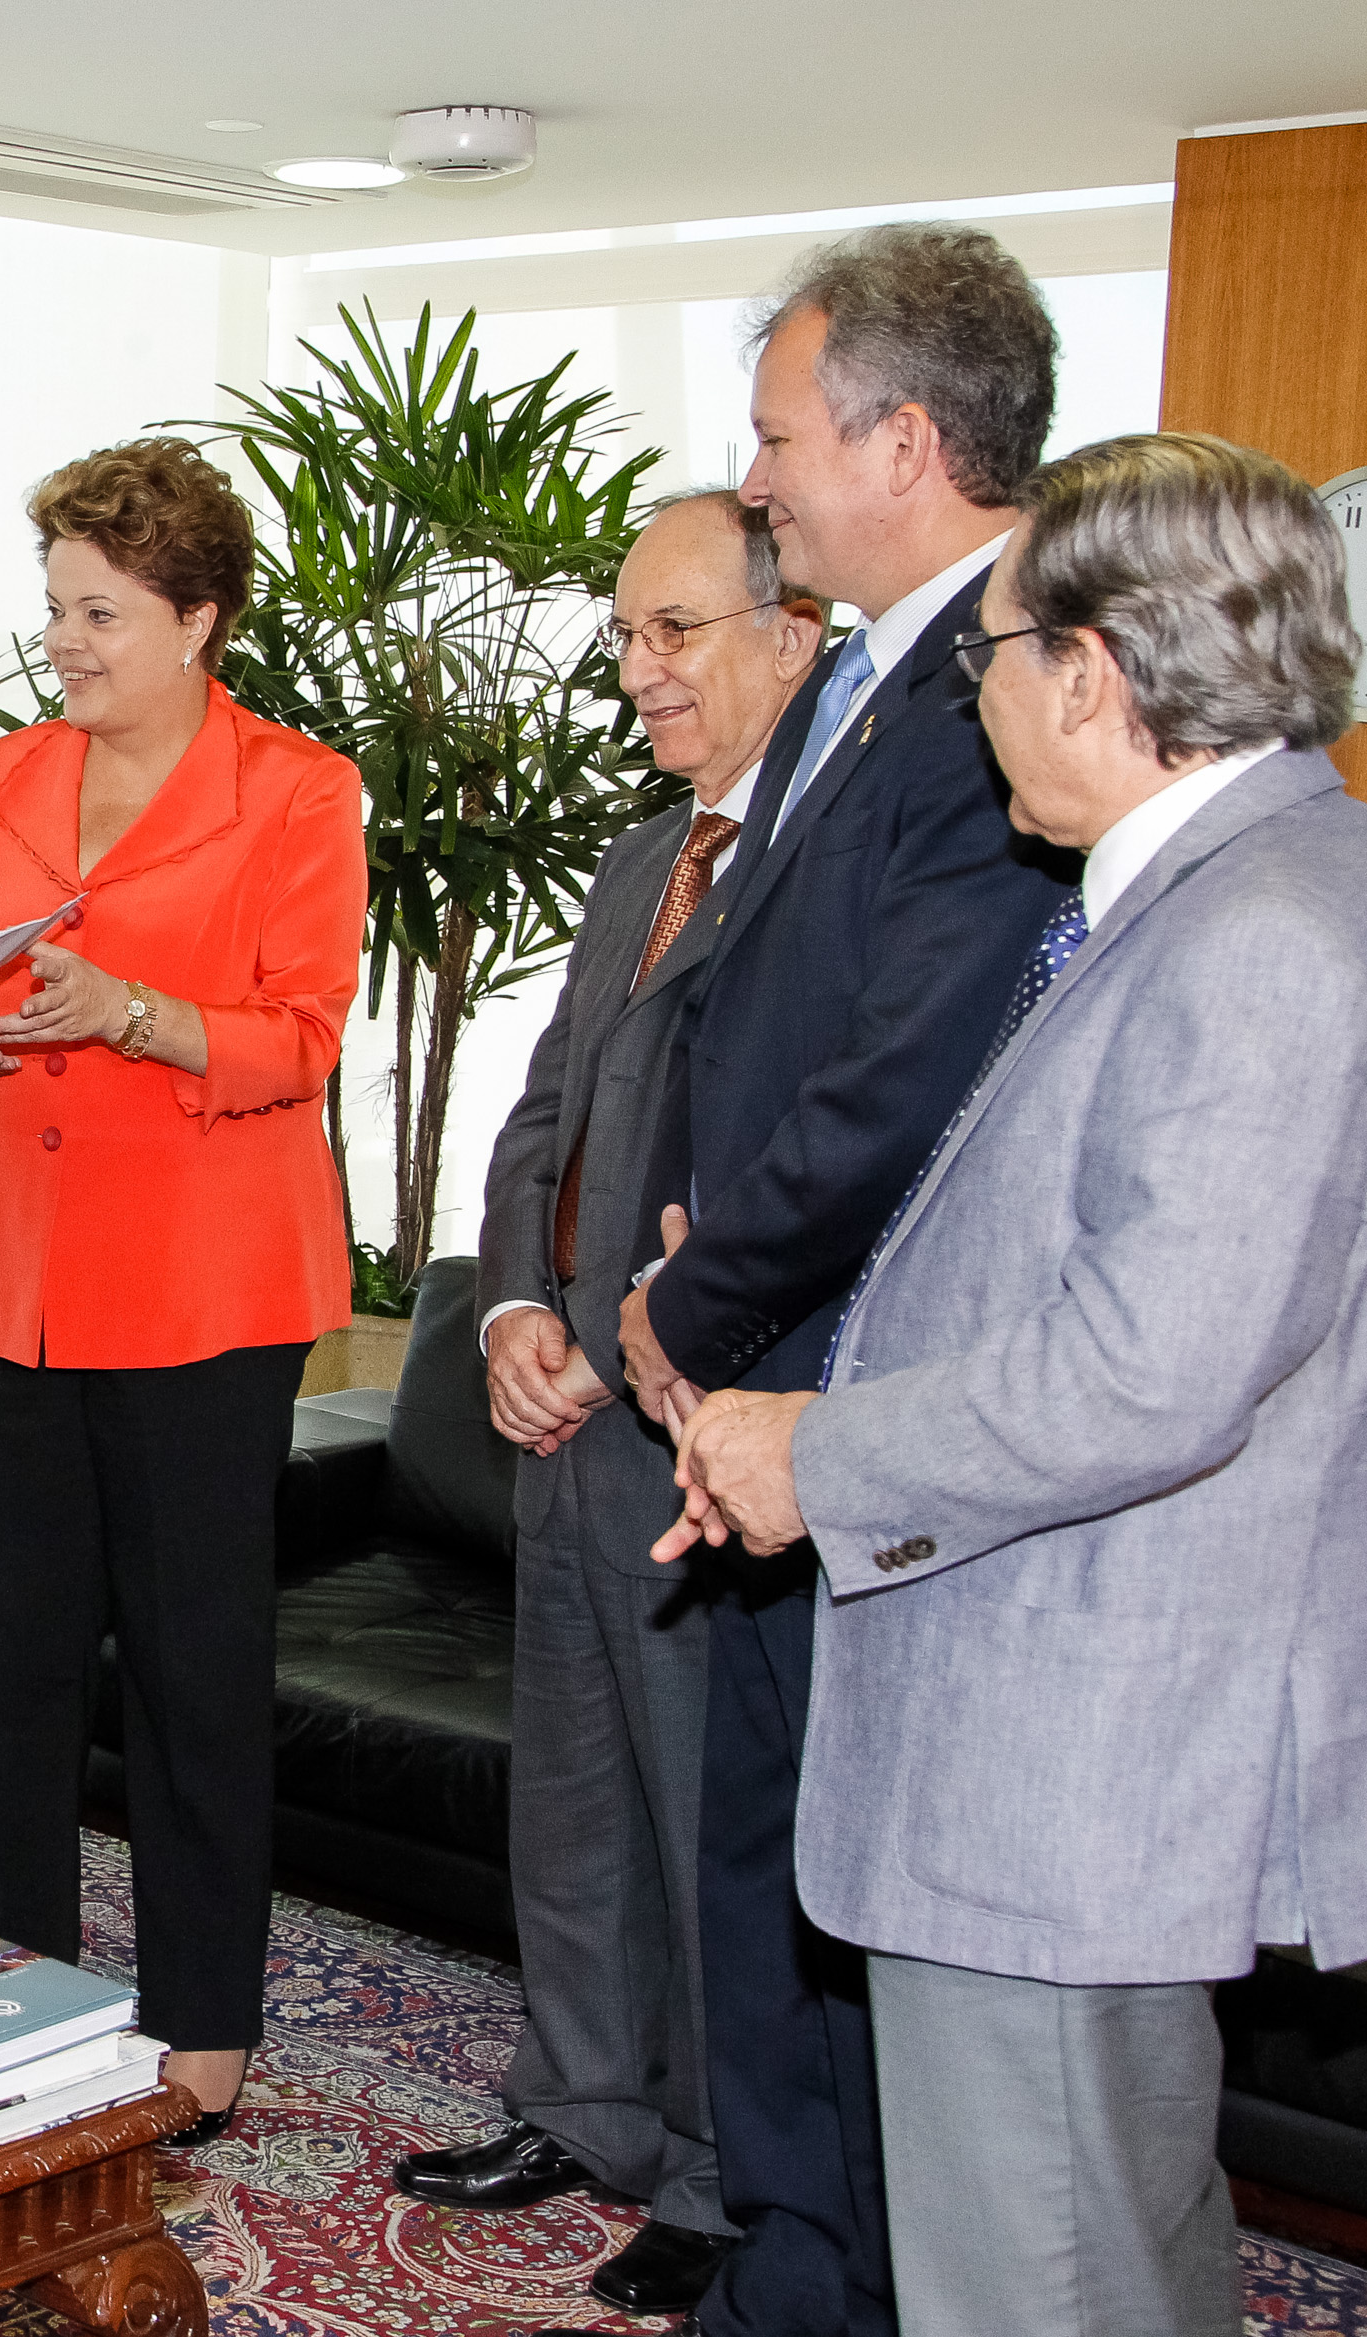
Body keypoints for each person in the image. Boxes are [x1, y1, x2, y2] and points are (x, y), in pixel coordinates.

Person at [655, 432, 1366, 2337]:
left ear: (1096, 668)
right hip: (1040, 1718)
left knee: (1040, 2268)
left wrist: (822, 1447)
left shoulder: (1265, 930)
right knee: (1088, 2241)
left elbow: (1152, 1364)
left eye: (985, 651)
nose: (965, 696)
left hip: (1074, 1741)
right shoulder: (1200, 891)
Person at [601, 223, 1076, 2337]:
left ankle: (854, 2284)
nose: (761, 473)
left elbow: (903, 1074)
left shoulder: (1018, 675)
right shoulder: (864, 665)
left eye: (781, 435)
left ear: (897, 434)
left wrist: (689, 1313)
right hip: (759, 1374)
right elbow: (745, 1006)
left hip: (857, 1389)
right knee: (762, 1866)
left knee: (844, 1889)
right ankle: (789, 2272)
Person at [0, 438, 364, 2119]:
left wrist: (131, 1013)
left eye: (100, 609)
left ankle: (202, 2026)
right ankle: (20, 1984)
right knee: (17, 1651)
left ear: (197, 618)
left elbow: (300, 1037)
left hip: (202, 1289)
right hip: (12, 1271)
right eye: (55, 604)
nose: (66, 639)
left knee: (189, 1661)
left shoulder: (297, 792)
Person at [400, 493, 823, 2322]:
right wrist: (507, 1304)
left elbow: (816, 1164)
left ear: (788, 636)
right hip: (564, 1405)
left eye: (674, 631)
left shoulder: (823, 873)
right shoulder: (638, 854)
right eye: (627, 633)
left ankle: (731, 2179)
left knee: (703, 1821)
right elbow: (538, 1118)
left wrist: (642, 1320)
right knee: (569, 1794)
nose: (634, 668)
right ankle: (576, 2103)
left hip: (709, 1424)